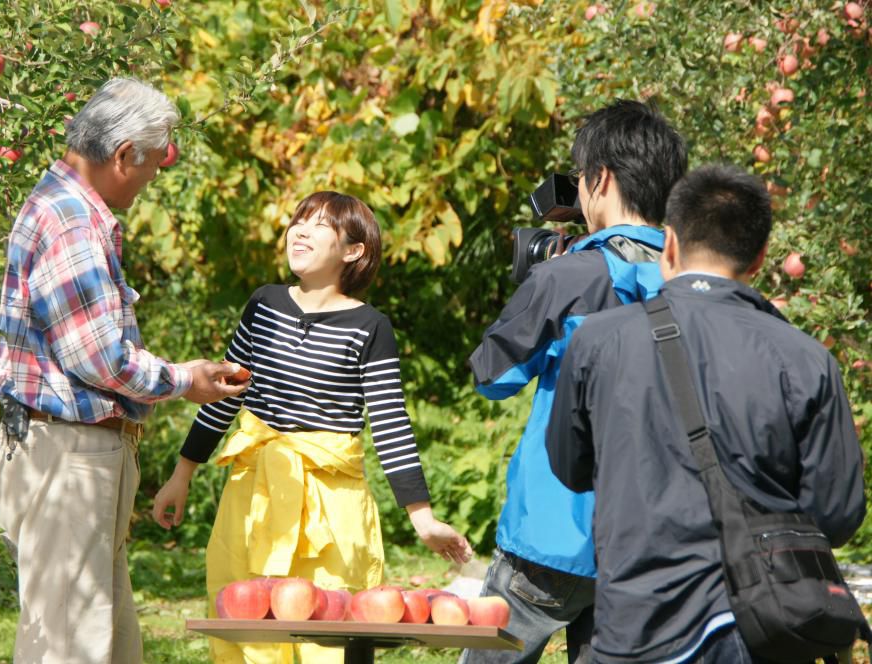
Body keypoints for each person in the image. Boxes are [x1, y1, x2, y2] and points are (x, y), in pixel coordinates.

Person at [546, 164, 866, 663]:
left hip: (634, 624)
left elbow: (569, 466)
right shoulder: (806, 358)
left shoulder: (597, 340)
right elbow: (838, 514)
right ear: (759, 257)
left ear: (668, 244)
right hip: (763, 626)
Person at [153, 191, 474, 664]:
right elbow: (225, 393)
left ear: (353, 250)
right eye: (298, 220)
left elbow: (389, 423)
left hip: (331, 503)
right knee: (249, 625)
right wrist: (183, 473)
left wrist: (421, 518)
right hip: (255, 493)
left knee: (330, 628)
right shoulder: (263, 305)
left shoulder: (370, 326)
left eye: (319, 224)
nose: (299, 231)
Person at [0, 78, 247, 664]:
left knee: (104, 642)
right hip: (68, 454)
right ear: (125, 153)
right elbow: (99, 360)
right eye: (154, 164)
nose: (155, 176)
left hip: (67, 451)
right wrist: (187, 381)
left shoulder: (63, 206)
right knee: (72, 646)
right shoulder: (75, 221)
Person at [464, 100, 688, 663]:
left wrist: (541, 281)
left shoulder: (567, 275)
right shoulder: (692, 280)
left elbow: (492, 376)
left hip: (552, 539)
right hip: (652, 545)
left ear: (600, 179)